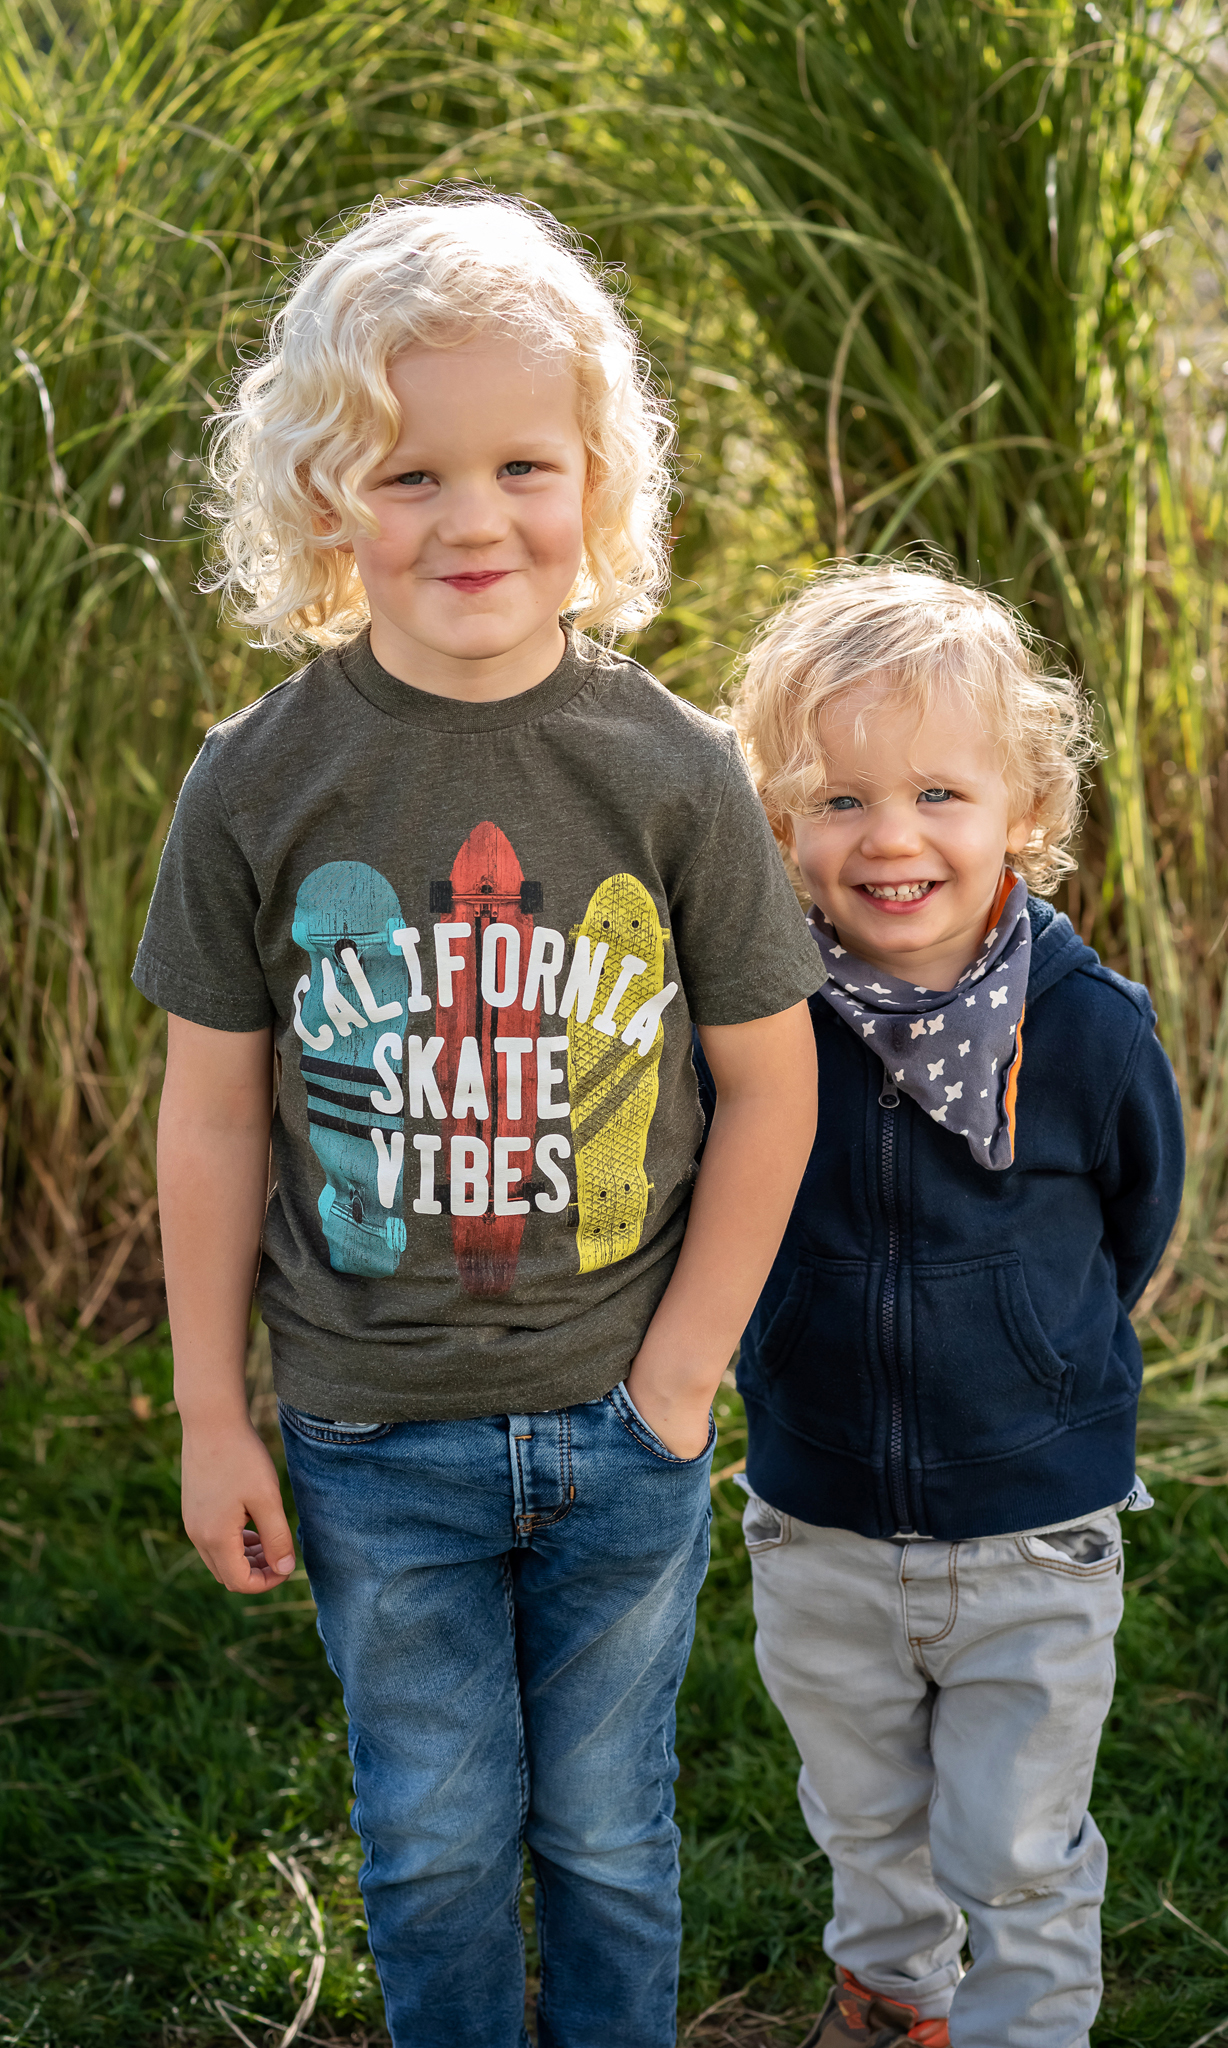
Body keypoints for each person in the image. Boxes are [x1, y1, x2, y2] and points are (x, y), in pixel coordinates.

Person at [134, 192, 823, 2048]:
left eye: (521, 463)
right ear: (318, 499)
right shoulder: (259, 779)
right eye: (405, 472)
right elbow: (211, 1120)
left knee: (609, 1837)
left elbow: (771, 1082)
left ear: (595, 482)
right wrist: (218, 1414)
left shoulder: (667, 770)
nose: (469, 519)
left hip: (621, 1416)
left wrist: (682, 1373)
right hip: (369, 1424)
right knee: (431, 1845)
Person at [699, 563, 1185, 2048]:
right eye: (839, 800)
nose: (891, 836)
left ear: (1022, 813)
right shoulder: (763, 1023)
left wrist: (1044, 1361)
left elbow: (1136, 1214)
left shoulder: (1085, 1026)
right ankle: (893, 1994)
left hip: (1030, 1526)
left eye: (938, 794)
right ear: (778, 825)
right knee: (861, 1814)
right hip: (822, 1511)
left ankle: (1026, 2028)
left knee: (1015, 1848)